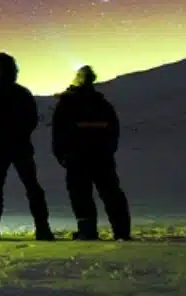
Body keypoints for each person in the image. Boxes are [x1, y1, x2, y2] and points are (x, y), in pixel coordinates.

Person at [0, 52, 54, 241]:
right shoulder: (21, 92)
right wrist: (19, 135)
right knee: (31, 186)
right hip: (19, 146)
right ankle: (43, 228)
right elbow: (32, 119)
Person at [51, 65, 132, 241]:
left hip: (77, 158)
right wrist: (108, 149)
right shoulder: (102, 104)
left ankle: (87, 231)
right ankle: (121, 231)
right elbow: (113, 130)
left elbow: (59, 132)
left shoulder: (67, 104)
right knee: (111, 193)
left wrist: (62, 154)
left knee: (81, 194)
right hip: (101, 156)